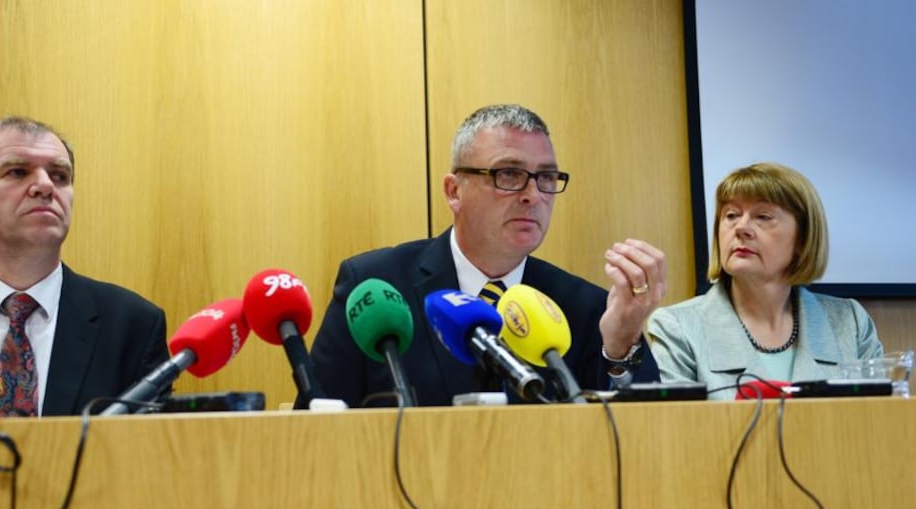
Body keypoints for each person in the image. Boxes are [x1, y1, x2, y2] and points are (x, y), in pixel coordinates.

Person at [305, 104, 666, 407]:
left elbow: (637, 440)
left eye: (546, 177)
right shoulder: (376, 289)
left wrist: (620, 347)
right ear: (453, 191)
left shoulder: (583, 307)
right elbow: (315, 429)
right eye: (509, 174)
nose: (533, 195)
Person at [0, 116, 169, 419]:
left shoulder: (133, 326)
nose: (45, 186)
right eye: (18, 172)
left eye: (60, 176)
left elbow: (150, 457)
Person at [647, 162, 883, 399]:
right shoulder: (679, 328)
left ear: (802, 239)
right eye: (731, 215)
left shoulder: (849, 323)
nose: (741, 228)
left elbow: (879, 420)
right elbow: (677, 430)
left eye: (763, 216)